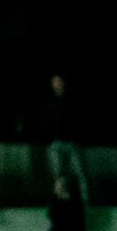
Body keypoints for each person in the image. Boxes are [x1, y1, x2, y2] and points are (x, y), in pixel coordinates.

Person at [42, 74, 89, 204]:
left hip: (71, 142)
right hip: (56, 142)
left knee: (80, 172)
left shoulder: (71, 101)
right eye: (55, 82)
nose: (58, 85)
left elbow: (78, 120)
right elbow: (46, 122)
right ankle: (60, 200)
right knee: (58, 174)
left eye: (59, 82)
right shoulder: (50, 103)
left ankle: (85, 200)